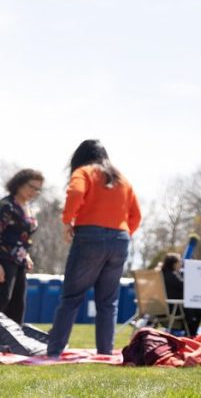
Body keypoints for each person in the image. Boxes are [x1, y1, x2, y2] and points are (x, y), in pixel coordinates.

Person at [47, 140, 142, 357]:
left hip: (89, 236)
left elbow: (75, 193)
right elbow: (136, 215)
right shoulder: (122, 179)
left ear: (80, 157)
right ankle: (105, 353)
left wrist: (67, 221)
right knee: (108, 301)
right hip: (120, 239)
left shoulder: (84, 172)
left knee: (71, 297)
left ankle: (54, 352)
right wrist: (122, 234)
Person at [0, 169, 43, 323]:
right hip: (1, 257)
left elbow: (23, 237)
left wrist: (27, 255)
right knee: (2, 298)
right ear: (19, 184)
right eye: (31, 187)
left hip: (19, 261)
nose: (34, 192)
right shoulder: (6, 205)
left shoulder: (29, 208)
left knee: (18, 304)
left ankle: (12, 341)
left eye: (38, 189)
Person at [160, 253, 201, 336]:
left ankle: (190, 333)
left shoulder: (161, 274)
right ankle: (191, 335)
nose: (181, 264)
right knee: (198, 308)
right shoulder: (172, 275)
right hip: (173, 308)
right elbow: (185, 287)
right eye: (179, 262)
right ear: (173, 263)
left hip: (160, 308)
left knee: (192, 308)